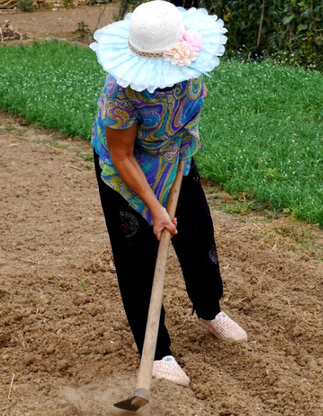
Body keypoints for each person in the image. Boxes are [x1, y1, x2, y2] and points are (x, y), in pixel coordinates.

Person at [89, 0, 247, 387]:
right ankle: (157, 352)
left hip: (175, 157)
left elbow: (191, 108)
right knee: (138, 257)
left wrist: (180, 151)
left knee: (197, 235)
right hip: (125, 170)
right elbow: (122, 155)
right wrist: (155, 208)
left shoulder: (188, 67)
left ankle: (209, 310)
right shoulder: (121, 93)